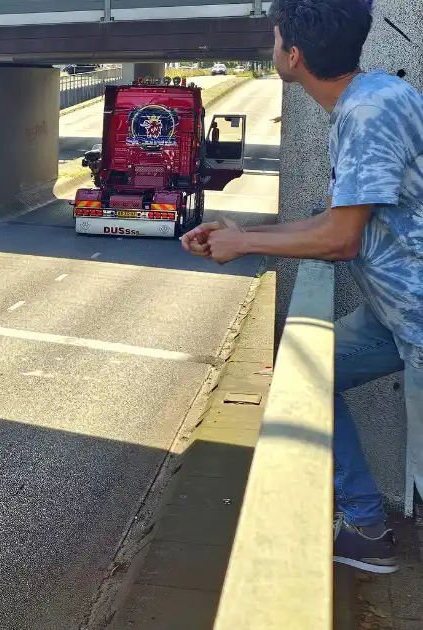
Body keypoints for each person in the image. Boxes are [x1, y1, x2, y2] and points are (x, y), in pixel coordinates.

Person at [181, 0, 423, 575]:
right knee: (307, 376)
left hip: (417, 321)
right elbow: (335, 219)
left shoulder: (367, 114)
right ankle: (365, 524)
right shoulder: (369, 100)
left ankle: (366, 526)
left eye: (274, 38)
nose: (271, 48)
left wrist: (247, 246)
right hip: (396, 316)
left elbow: (339, 240)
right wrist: (245, 232)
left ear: (294, 55)